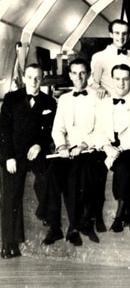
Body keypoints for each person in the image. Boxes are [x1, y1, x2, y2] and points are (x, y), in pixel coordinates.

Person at [0, 63, 57, 258]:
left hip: (35, 152)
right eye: (30, 77)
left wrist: (40, 144)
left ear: (42, 80)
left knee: (48, 176)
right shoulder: (10, 99)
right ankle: (8, 243)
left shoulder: (50, 102)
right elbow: (4, 131)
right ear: (24, 78)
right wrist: (8, 157)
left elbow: (51, 131)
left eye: (37, 78)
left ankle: (46, 214)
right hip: (13, 155)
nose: (33, 81)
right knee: (11, 197)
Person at [49, 58, 103, 246]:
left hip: (90, 149)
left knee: (75, 174)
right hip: (68, 150)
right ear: (70, 75)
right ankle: (55, 225)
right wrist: (62, 146)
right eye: (75, 73)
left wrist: (83, 145)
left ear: (88, 74)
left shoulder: (99, 97)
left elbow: (102, 129)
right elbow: (58, 129)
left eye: (82, 73)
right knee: (53, 172)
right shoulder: (63, 99)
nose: (79, 77)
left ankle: (75, 225)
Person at [94, 64, 130, 234]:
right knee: (123, 167)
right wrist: (106, 146)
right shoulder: (103, 104)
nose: (121, 83)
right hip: (112, 149)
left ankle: (119, 216)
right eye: (117, 79)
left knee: (124, 162)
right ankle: (127, 214)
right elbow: (99, 131)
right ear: (112, 80)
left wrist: (119, 149)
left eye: (126, 79)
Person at [89, 19, 130, 99]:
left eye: (124, 34)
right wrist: (99, 88)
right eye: (117, 33)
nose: (121, 37)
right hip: (109, 102)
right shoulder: (99, 56)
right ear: (111, 34)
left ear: (128, 35)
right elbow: (92, 82)